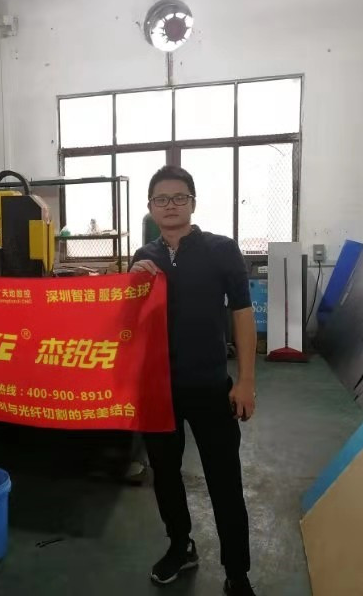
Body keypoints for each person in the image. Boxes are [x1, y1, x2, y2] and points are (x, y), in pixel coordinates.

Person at [130, 166, 257, 596]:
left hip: (210, 386)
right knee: (166, 476)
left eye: (179, 197)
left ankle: (237, 572)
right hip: (158, 390)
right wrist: (134, 283)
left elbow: (242, 313)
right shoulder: (143, 256)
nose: (170, 205)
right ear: (150, 207)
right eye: (161, 199)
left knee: (225, 482)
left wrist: (246, 381)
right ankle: (180, 545)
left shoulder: (221, 250)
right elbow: (130, 322)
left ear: (193, 203)